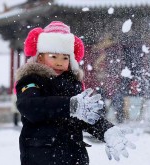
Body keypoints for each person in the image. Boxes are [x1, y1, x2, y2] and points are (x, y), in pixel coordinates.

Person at [15, 21, 135, 165]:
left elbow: (85, 116)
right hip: (42, 156)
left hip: (74, 157)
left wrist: (106, 131)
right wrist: (70, 105)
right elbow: (29, 106)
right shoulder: (31, 80)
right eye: (53, 56)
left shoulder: (72, 84)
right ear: (40, 57)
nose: (60, 62)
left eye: (65, 58)